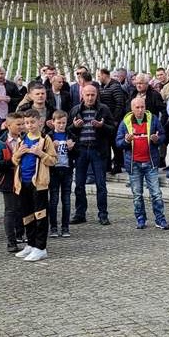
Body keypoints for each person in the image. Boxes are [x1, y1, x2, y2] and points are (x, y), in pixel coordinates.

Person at [116, 95, 169, 230]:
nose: (140, 110)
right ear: (132, 108)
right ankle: (140, 219)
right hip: (134, 164)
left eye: (142, 107)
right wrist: (126, 141)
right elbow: (118, 142)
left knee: (156, 193)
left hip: (150, 163)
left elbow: (163, 136)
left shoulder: (153, 119)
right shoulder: (126, 122)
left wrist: (157, 139)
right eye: (137, 107)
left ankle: (160, 219)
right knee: (137, 194)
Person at [13, 111, 58, 261]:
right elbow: (14, 160)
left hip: (39, 184)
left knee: (40, 215)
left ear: (40, 122)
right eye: (27, 123)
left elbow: (53, 160)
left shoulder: (46, 140)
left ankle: (41, 247)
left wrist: (41, 154)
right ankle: (31, 244)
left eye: (32, 122)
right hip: (22, 182)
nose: (29, 125)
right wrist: (18, 154)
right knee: (27, 214)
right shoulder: (22, 140)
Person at [70, 84, 115, 226]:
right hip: (81, 150)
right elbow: (68, 130)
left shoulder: (104, 109)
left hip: (98, 150)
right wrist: (74, 127)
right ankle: (80, 213)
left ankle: (103, 214)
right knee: (79, 185)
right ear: (82, 95)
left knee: (101, 185)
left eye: (92, 95)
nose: (90, 98)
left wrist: (102, 127)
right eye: (87, 95)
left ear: (97, 95)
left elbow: (112, 129)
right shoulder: (75, 109)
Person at [0, 113, 26, 253]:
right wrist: (12, 161)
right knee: (10, 210)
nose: (21, 127)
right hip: (8, 181)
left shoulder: (25, 139)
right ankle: (11, 241)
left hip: (24, 179)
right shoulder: (0, 142)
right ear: (8, 125)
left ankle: (21, 235)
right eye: (18, 124)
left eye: (22, 124)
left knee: (22, 209)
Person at [46, 110, 75, 238]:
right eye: (58, 123)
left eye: (63, 123)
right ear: (53, 122)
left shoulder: (70, 135)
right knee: (53, 200)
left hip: (67, 170)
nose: (61, 125)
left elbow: (77, 153)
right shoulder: (49, 136)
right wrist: (52, 148)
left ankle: (65, 227)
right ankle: (53, 227)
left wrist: (72, 148)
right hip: (54, 171)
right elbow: (43, 154)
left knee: (66, 200)